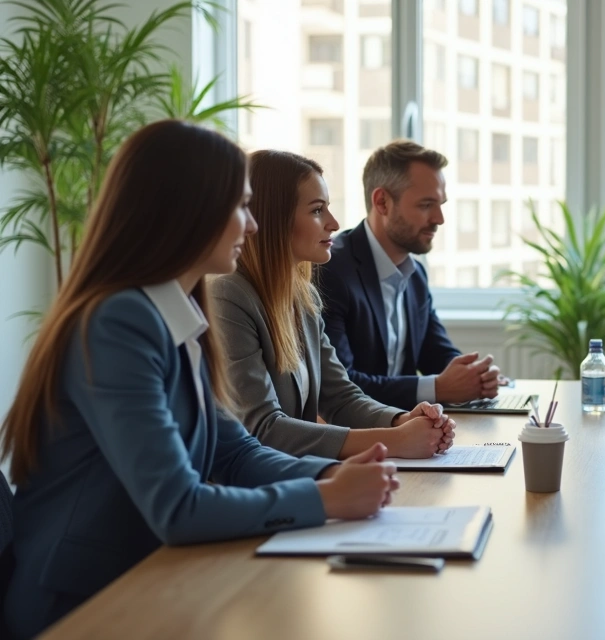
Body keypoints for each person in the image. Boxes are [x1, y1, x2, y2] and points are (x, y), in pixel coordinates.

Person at [0, 121, 400, 639]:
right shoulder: (117, 323)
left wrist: (328, 475)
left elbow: (232, 451)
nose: (252, 226)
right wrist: (325, 500)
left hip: (152, 578)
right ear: (186, 212)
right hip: (83, 604)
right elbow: (177, 506)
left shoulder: (177, 313)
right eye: (239, 207)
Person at [210, 150, 455, 460]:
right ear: (273, 218)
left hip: (297, 478)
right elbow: (264, 429)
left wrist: (402, 420)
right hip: (251, 493)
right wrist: (393, 441)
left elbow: (340, 397)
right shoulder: (227, 297)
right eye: (317, 210)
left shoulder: (304, 297)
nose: (334, 223)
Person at [315, 140, 505, 409]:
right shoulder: (331, 270)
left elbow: (436, 353)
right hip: (362, 437)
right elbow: (341, 385)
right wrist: (439, 387)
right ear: (382, 202)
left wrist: (475, 376)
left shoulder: (415, 276)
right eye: (426, 205)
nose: (439, 218)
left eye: (440, 204)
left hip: (409, 430)